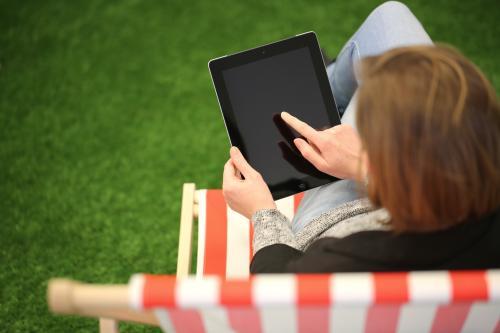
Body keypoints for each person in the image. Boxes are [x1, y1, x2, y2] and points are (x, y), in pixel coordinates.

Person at [222, 1, 500, 273]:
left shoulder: (345, 257)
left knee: (370, 74)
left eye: (377, 144)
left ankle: (323, 91)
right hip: (410, 194)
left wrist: (261, 211)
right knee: (391, 17)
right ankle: (324, 89)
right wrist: (364, 166)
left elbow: (278, 289)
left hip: (346, 215)